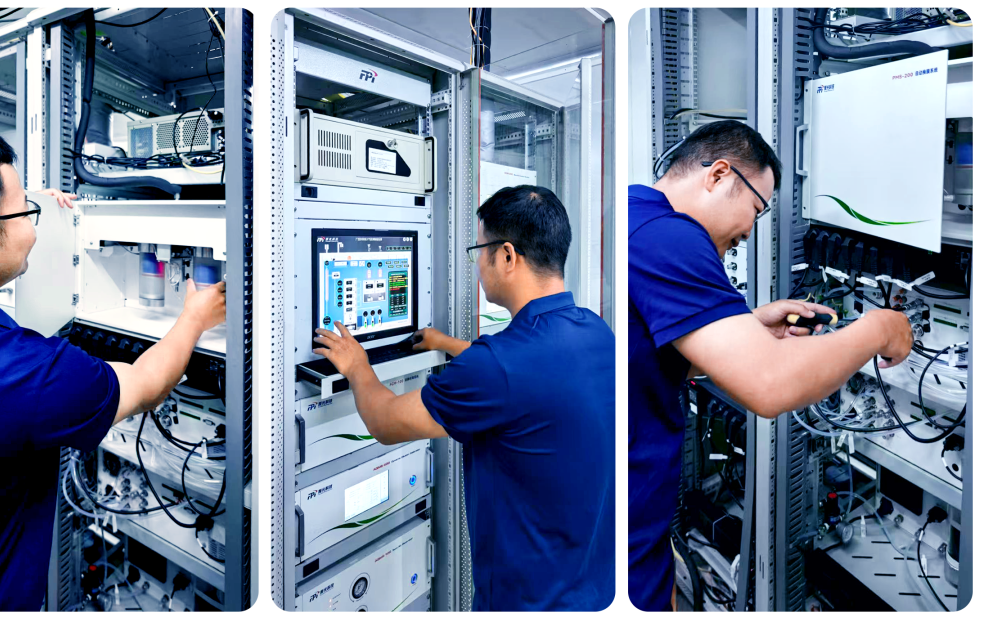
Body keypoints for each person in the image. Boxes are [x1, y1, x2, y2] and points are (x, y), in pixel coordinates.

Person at [0, 125, 227, 611]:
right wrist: (194, 318)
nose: (34, 226)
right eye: (25, 212)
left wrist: (28, 208)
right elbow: (148, 384)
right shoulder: (24, 373)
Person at [628, 120, 913, 611]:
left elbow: (641, 358)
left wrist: (746, 328)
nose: (748, 232)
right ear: (719, 175)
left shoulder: (635, 213)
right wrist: (879, 329)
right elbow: (770, 384)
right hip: (624, 525)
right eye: (756, 209)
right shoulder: (671, 235)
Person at [311, 185, 614, 611]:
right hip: (594, 590)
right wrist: (448, 344)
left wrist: (357, 364)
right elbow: (531, 375)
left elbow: (384, 421)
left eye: (479, 251)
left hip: (525, 604)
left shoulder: (496, 368)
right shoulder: (595, 331)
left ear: (506, 256)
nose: (478, 265)